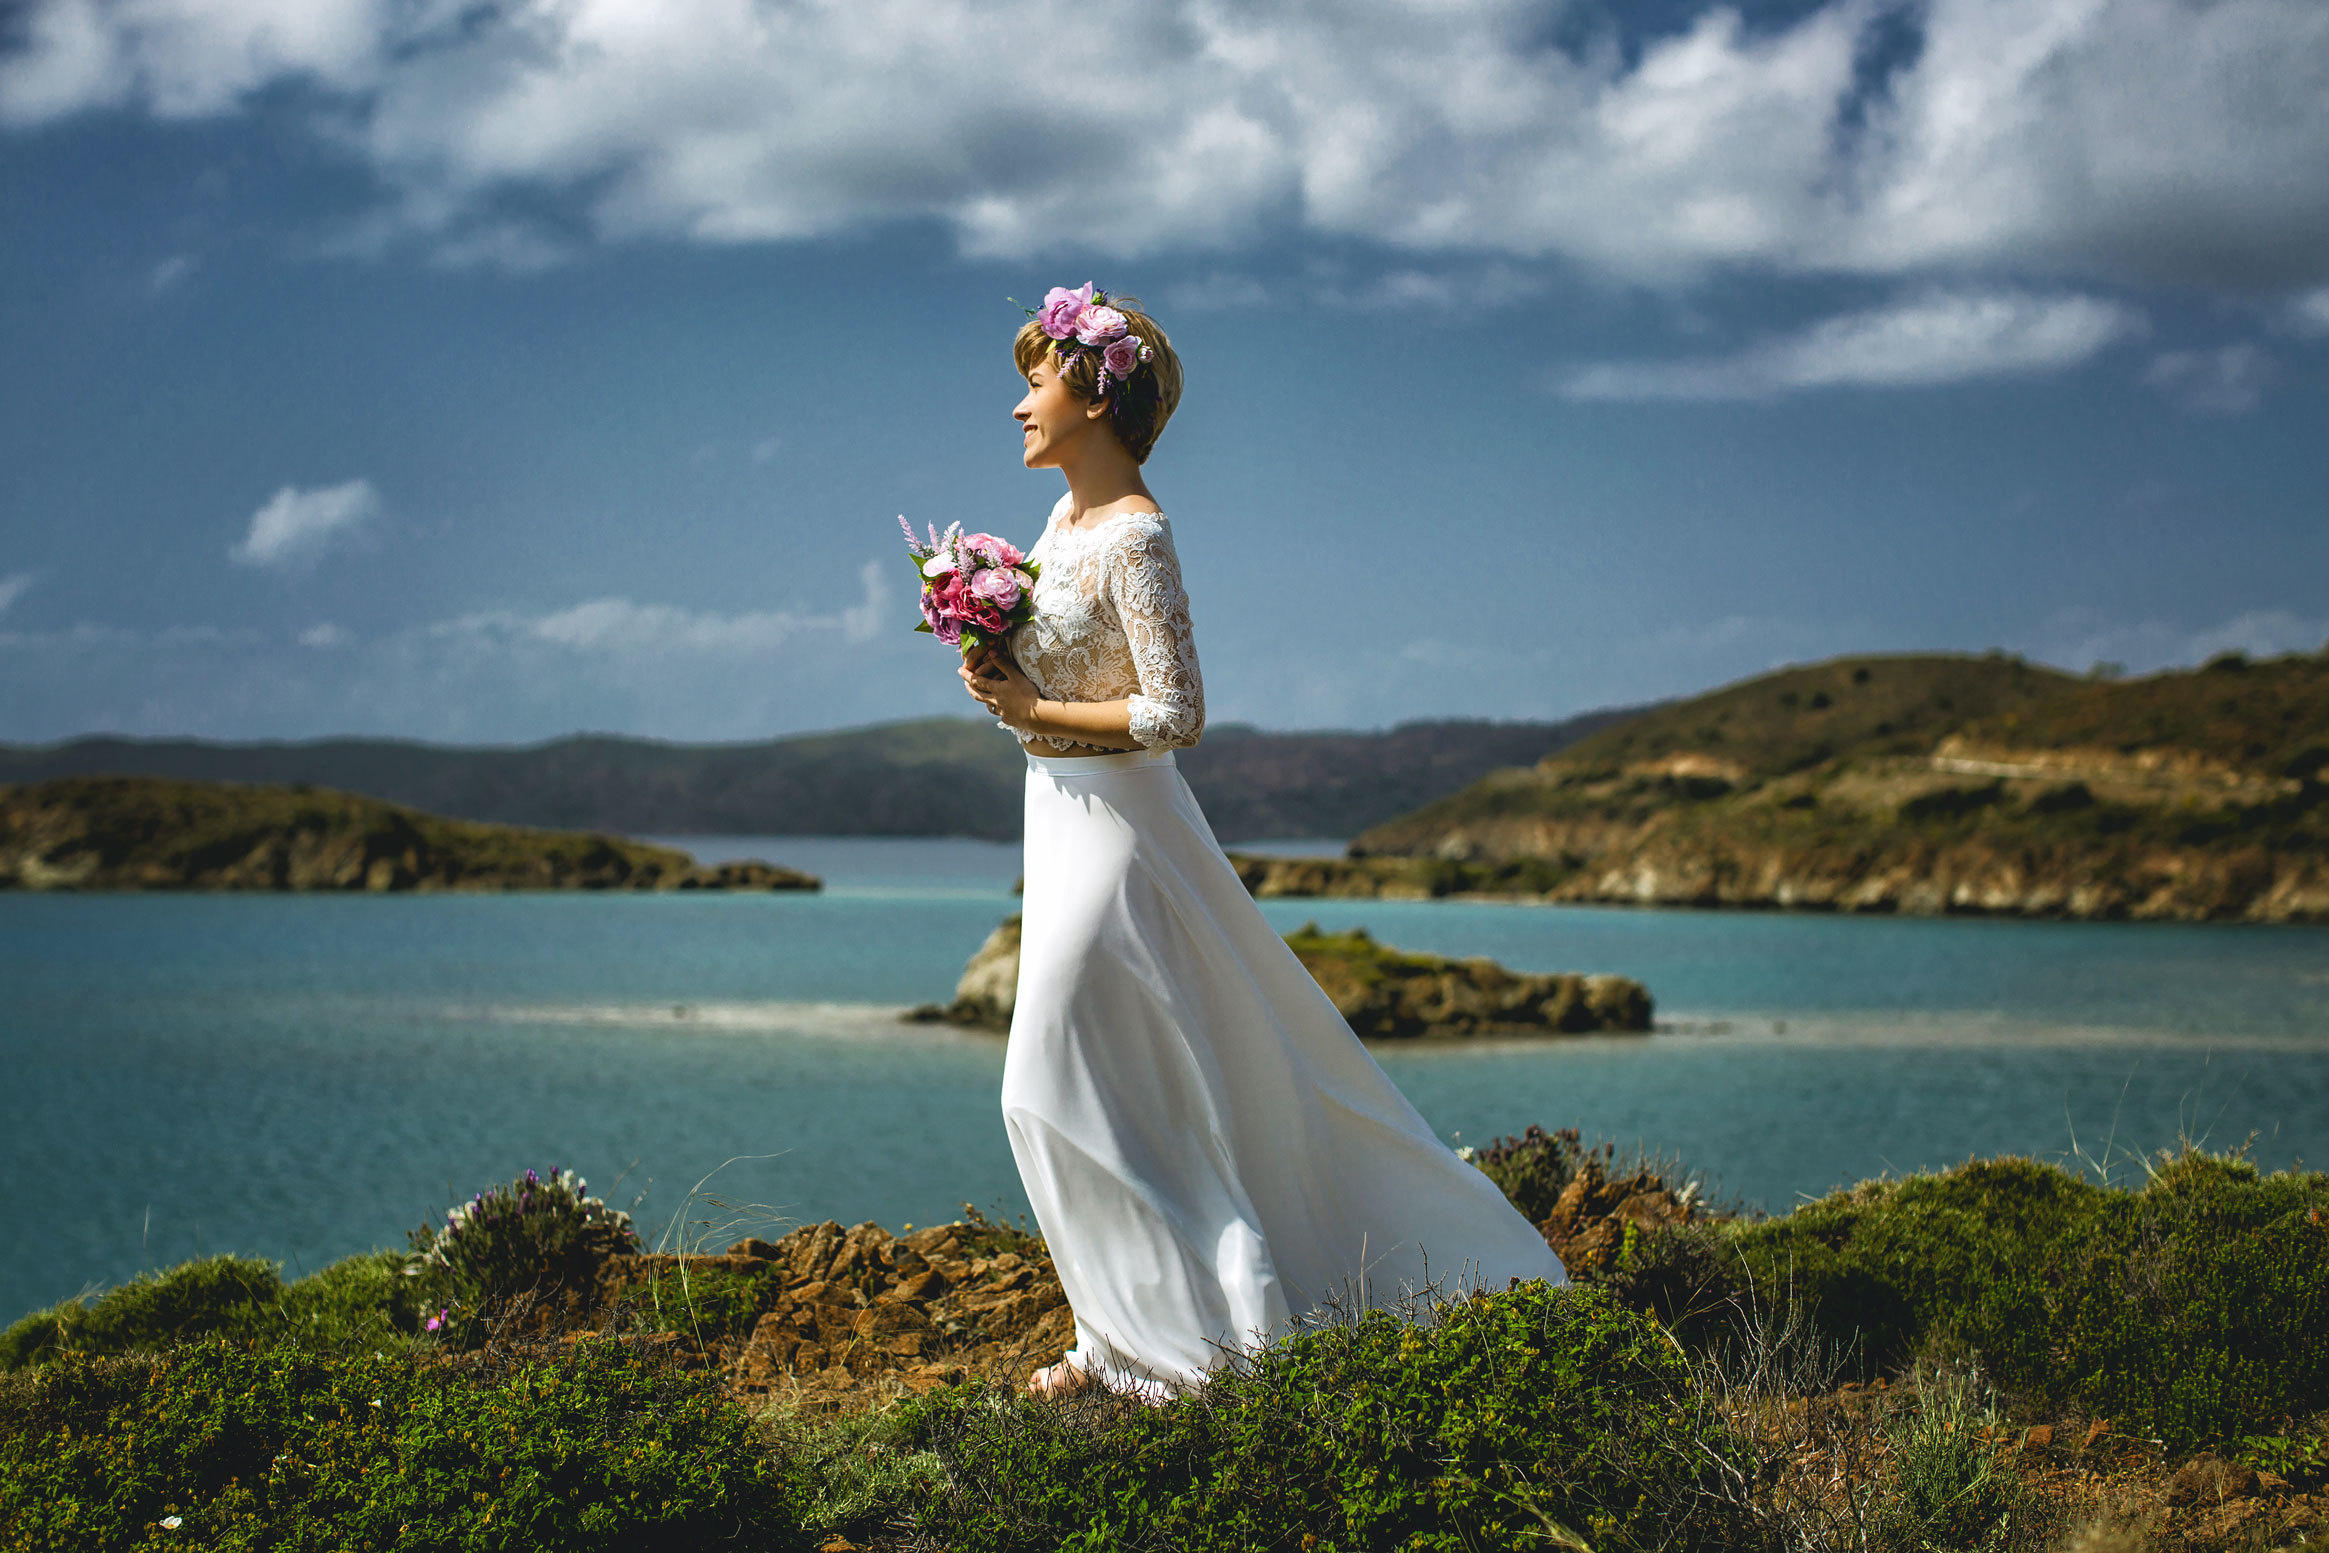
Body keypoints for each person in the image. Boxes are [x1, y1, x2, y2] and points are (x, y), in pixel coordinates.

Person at [956, 284, 1564, 1400]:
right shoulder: (1057, 526)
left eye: (1034, 380)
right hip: (1055, 811)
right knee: (1118, 1076)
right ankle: (1115, 1332)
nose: (1016, 407)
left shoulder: (1138, 535)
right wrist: (1004, 674)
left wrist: (1034, 711)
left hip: (1124, 827)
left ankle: (1187, 1343)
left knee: (1040, 1074)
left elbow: (1175, 712)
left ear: (1093, 392)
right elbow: (1070, 684)